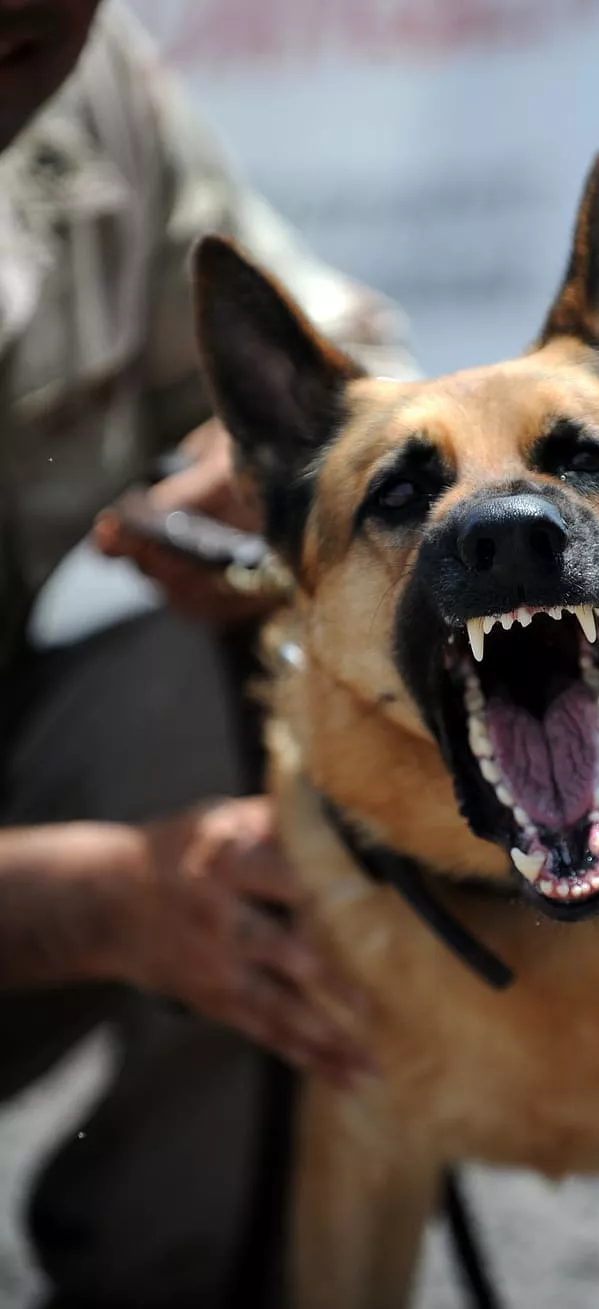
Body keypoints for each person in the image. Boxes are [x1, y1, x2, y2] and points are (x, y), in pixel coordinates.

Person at [0, 3, 417, 1307]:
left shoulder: (81, 90)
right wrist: (113, 900)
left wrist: (265, 471)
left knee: (280, 692)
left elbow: (351, 373)